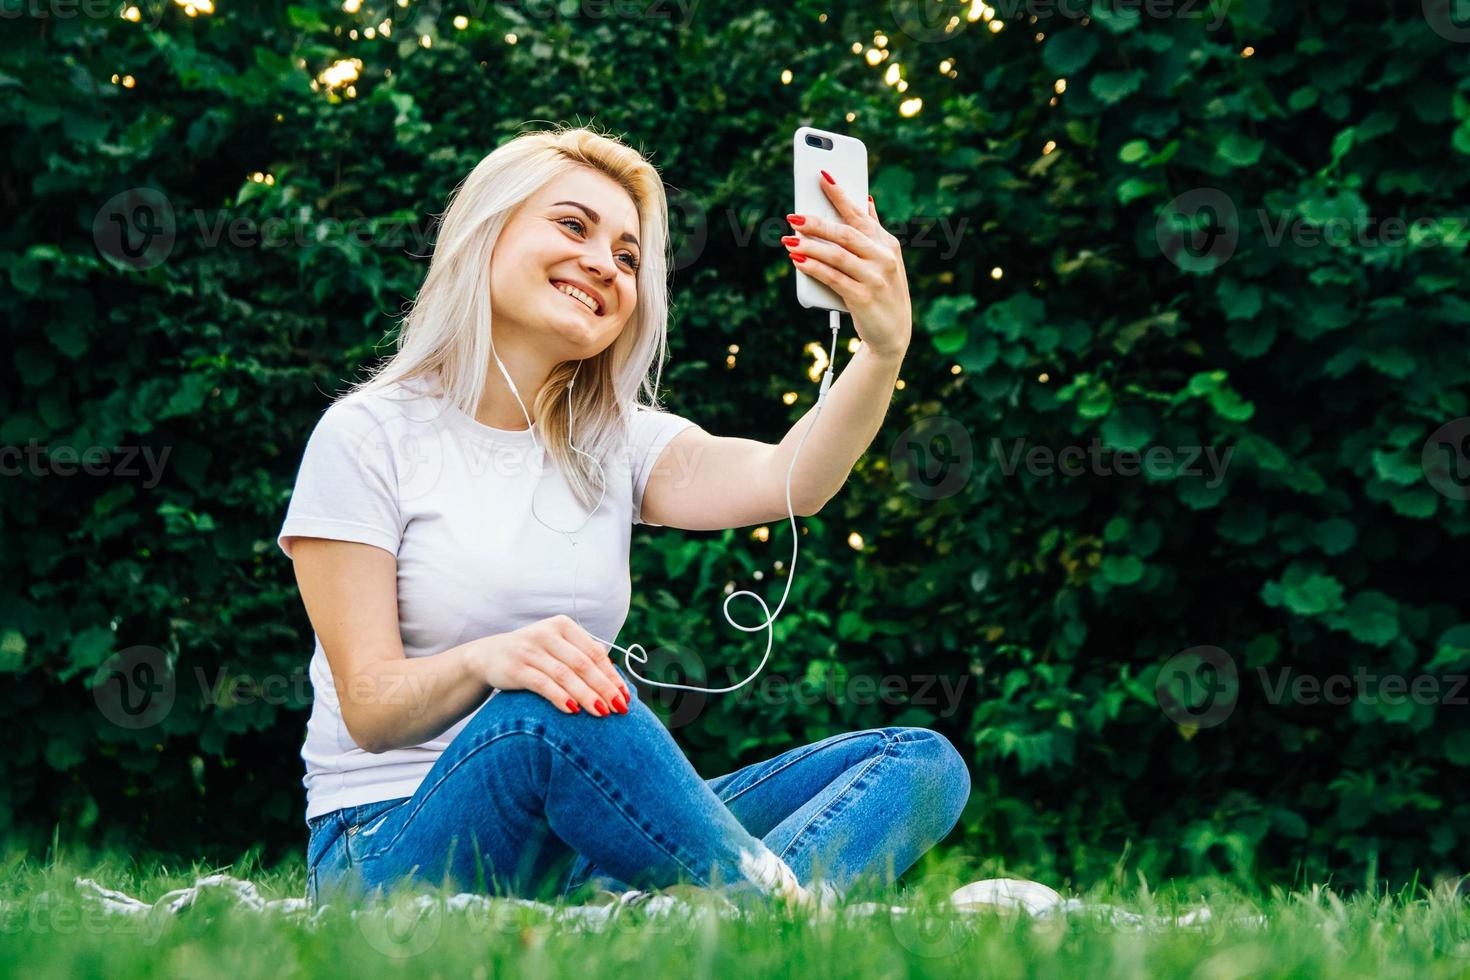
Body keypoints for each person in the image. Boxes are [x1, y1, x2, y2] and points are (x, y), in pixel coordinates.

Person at [277, 125, 970, 909]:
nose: (605, 263)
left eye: (630, 256)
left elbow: (789, 480)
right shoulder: (369, 434)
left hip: (569, 846)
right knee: (555, 702)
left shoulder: (616, 442)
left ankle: (733, 916)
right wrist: (493, 661)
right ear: (487, 232)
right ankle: (766, 912)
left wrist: (882, 351)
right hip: (389, 841)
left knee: (919, 762)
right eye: (573, 226)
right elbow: (368, 706)